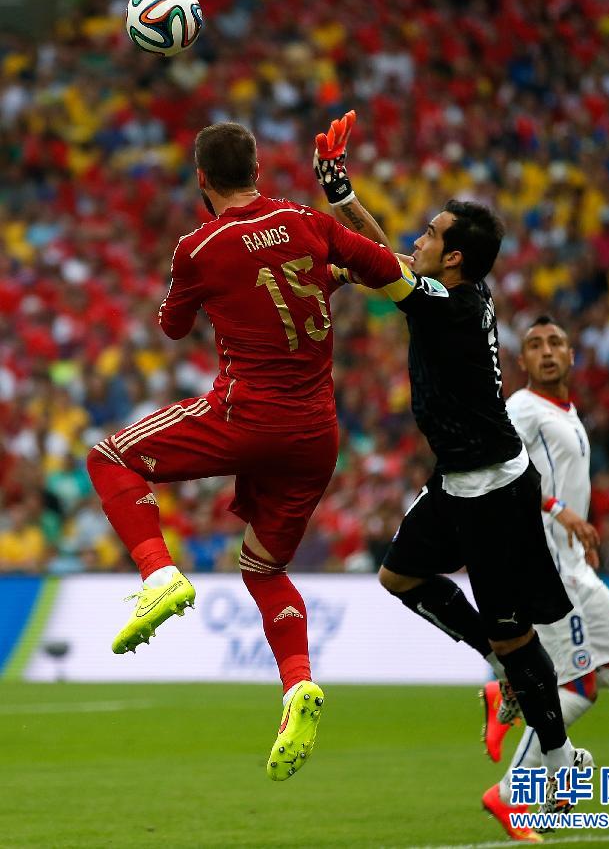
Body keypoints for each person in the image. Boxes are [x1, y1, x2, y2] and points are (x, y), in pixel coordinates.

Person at [86, 121, 414, 781]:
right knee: (262, 569)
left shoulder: (199, 247)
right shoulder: (308, 225)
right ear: (259, 170)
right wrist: (337, 238)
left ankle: (158, 575)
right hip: (316, 435)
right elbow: (395, 273)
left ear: (201, 180)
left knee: (109, 456)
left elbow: (173, 327)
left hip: (247, 414)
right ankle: (297, 687)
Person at [313, 111, 592, 832]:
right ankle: (497, 670)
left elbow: (385, 270)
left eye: (430, 235)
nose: (417, 239)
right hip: (454, 481)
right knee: (399, 578)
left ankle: (559, 766)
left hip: (495, 491)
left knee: (515, 635)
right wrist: (340, 195)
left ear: (455, 260)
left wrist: (329, 223)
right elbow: (392, 268)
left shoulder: (453, 306)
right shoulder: (448, 295)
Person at [479, 316, 609, 841]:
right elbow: (500, 468)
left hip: (573, 560)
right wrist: (558, 512)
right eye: (534, 345)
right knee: (579, 684)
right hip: (547, 564)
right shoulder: (521, 409)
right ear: (521, 362)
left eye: (556, 343)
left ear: (573, 355)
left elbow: (567, 480)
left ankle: (515, 691)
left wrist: (576, 532)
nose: (547, 351)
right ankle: (510, 795)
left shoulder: (568, 414)